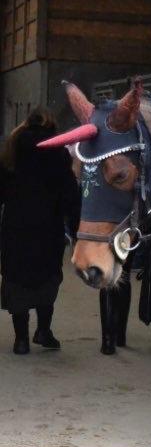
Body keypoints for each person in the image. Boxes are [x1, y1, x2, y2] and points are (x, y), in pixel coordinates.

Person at [0, 109, 80, 354]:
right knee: (47, 279)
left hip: (15, 228)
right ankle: (43, 331)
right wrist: (77, 230)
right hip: (48, 229)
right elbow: (70, 196)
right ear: (51, 126)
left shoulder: (10, 151)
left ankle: (21, 340)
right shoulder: (57, 153)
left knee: (17, 280)